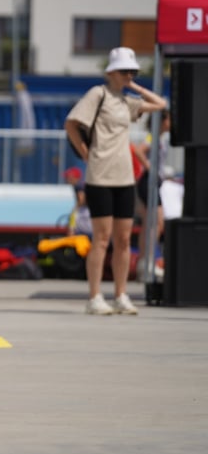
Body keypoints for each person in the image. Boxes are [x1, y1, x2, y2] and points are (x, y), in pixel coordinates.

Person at [65, 46, 167, 315]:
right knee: (101, 239)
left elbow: (161, 104)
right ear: (111, 72)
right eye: (124, 71)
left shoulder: (127, 101)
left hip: (125, 177)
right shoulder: (97, 94)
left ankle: (121, 294)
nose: (128, 75)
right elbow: (71, 124)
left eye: (132, 71)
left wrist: (136, 87)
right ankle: (94, 297)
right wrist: (86, 153)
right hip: (100, 175)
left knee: (123, 239)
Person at [134, 109, 171, 264]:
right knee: (156, 222)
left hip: (154, 182)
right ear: (162, 121)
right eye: (168, 120)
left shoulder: (160, 138)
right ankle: (146, 258)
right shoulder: (152, 137)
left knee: (150, 223)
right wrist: (150, 167)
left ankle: (144, 258)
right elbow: (138, 150)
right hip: (148, 181)